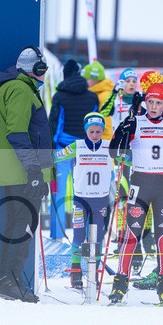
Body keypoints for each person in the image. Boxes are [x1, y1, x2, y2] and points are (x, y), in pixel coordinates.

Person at [108, 83, 163, 305]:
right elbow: (114, 153)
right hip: (140, 182)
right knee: (131, 233)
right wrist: (121, 132)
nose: (154, 107)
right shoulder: (136, 121)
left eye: (158, 103)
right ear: (146, 102)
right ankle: (120, 283)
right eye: (150, 102)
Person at [0, 46, 53, 302]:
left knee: (20, 223)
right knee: (24, 225)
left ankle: (9, 279)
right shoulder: (20, 89)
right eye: (42, 69)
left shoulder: (16, 88)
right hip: (22, 172)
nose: (44, 74)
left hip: (19, 171)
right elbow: (17, 133)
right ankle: (10, 280)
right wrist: (34, 170)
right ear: (33, 69)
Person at [56, 113, 113, 289]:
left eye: (98, 131)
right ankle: (76, 273)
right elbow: (58, 156)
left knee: (97, 238)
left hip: (101, 199)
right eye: (91, 131)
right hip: (81, 199)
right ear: (86, 130)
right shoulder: (78, 146)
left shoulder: (108, 146)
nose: (95, 135)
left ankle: (93, 272)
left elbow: (126, 157)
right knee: (79, 236)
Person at [47, 58, 100, 239]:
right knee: (84, 194)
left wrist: (50, 149)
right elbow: (94, 126)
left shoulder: (60, 96)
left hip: (62, 150)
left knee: (58, 194)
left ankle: (57, 235)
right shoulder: (92, 97)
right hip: (85, 150)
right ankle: (85, 235)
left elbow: (55, 124)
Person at [82, 61, 115, 137]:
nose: (84, 82)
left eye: (87, 80)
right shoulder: (97, 93)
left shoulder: (104, 96)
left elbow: (106, 124)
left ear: (95, 79)